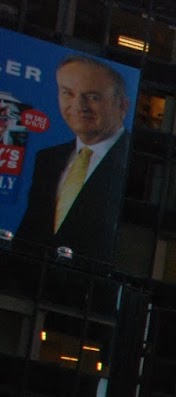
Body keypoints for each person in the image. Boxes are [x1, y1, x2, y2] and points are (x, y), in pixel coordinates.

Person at [14, 54, 130, 261]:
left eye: (93, 97)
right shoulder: (48, 158)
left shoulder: (131, 163)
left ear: (122, 106)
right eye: (68, 93)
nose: (78, 106)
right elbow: (29, 234)